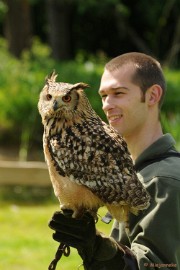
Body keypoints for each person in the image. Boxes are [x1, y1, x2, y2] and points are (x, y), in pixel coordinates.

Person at [48, 52, 180, 269]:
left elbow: (158, 266)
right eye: (103, 96)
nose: (107, 105)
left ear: (153, 96)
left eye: (118, 93)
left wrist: (100, 248)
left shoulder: (165, 180)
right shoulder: (127, 169)